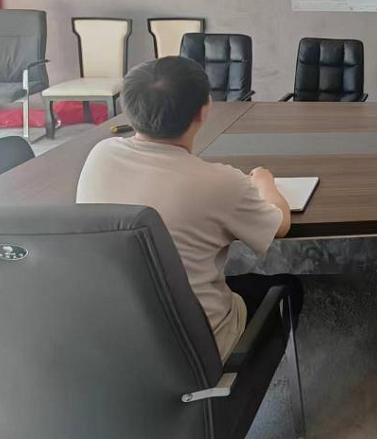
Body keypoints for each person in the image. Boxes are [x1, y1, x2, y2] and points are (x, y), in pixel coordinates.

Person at [77, 56, 300, 358]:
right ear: (204, 110)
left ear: (127, 108)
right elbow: (280, 224)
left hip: (112, 337)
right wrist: (264, 181)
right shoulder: (220, 182)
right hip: (193, 348)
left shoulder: (99, 155)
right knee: (289, 287)